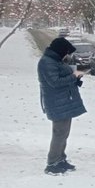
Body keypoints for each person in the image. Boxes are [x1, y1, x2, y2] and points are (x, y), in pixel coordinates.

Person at [38, 37, 86, 175]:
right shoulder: (46, 63)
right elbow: (55, 82)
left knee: (64, 133)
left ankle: (60, 159)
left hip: (64, 102)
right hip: (57, 103)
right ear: (60, 51)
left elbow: (62, 74)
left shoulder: (55, 61)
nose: (67, 55)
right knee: (59, 133)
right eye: (66, 52)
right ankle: (52, 163)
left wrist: (75, 75)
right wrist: (74, 76)